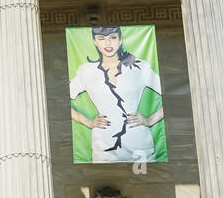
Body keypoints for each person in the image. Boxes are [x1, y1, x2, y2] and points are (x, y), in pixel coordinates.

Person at [69, 26, 164, 162]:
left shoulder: (140, 67)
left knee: (145, 181)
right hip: (103, 148)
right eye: (101, 38)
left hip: (139, 146)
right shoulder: (86, 71)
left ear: (120, 40)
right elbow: (58, 102)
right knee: (104, 182)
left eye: (113, 37)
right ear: (94, 42)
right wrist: (89, 122)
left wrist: (149, 120)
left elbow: (172, 94)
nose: (108, 43)